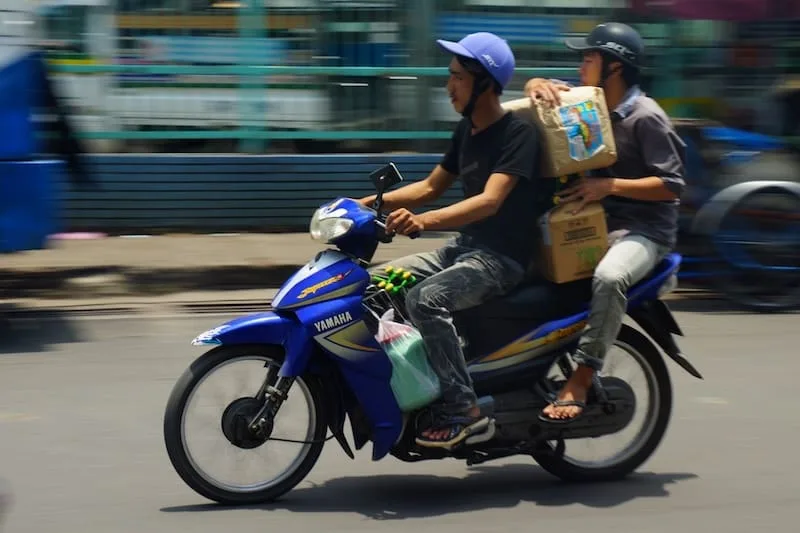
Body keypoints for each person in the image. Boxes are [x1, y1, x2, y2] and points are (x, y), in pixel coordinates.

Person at [358, 32, 543, 449]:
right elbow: (429, 187)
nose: (448, 85)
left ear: (484, 82)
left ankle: (465, 411)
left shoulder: (518, 136)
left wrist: (423, 221)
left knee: (426, 299)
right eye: (450, 76)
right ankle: (416, 386)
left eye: (457, 77)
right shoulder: (467, 131)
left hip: (501, 261)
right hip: (462, 250)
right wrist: (364, 203)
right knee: (371, 286)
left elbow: (490, 200)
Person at [524, 22, 687, 422]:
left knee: (611, 278)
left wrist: (608, 185)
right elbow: (539, 88)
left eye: (588, 58)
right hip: (594, 224)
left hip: (644, 231)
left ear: (614, 67)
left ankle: (581, 377)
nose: (580, 65)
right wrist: (536, 84)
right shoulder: (586, 103)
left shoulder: (646, 117)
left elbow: (671, 186)